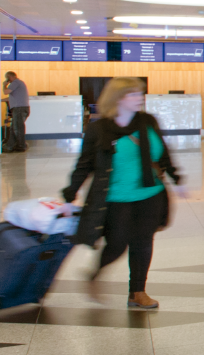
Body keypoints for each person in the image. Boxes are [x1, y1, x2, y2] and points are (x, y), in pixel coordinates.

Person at [62, 78, 182, 310]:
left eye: (140, 94)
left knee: (143, 242)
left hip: (150, 193)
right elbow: (84, 164)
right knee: (117, 243)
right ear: (118, 98)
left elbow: (163, 153)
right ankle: (94, 275)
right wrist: (69, 195)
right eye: (134, 95)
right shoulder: (99, 129)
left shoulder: (148, 121)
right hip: (116, 197)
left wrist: (177, 177)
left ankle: (137, 292)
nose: (140, 98)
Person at [3, 70, 29, 152]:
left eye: (7, 78)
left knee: (17, 128)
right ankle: (10, 146)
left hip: (19, 109)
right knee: (14, 128)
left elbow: (5, 92)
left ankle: (21, 146)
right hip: (21, 108)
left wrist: (4, 85)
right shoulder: (19, 83)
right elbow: (12, 97)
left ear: (9, 77)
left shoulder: (15, 83)